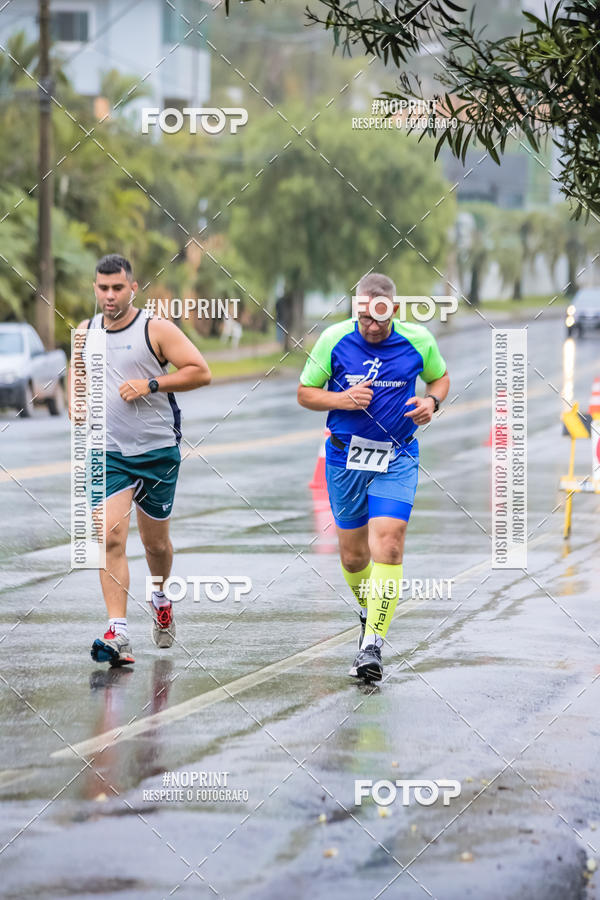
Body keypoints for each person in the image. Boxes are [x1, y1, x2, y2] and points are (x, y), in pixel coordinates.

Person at [297, 273, 449, 682]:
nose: (371, 325)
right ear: (356, 310)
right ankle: (370, 611)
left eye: (379, 318)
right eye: (363, 317)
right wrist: (341, 399)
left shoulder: (419, 340)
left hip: (397, 455)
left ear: (393, 311)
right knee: (353, 556)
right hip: (345, 459)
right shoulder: (333, 340)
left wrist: (431, 401)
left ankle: (372, 646)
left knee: (390, 544)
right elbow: (305, 392)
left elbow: (440, 377)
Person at [68, 254, 211, 667]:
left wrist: (151, 384)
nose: (109, 295)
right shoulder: (85, 331)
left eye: (117, 288)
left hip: (156, 451)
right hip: (107, 452)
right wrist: (78, 404)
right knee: (111, 537)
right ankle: (119, 632)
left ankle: (161, 594)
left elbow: (200, 371)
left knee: (155, 544)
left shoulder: (155, 328)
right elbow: (78, 374)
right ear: (95, 289)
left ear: (133, 287)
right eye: (102, 288)